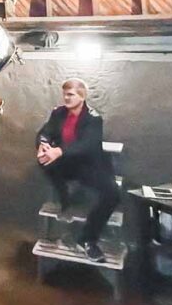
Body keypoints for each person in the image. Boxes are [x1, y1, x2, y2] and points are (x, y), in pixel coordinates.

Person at [35, 78, 119, 263]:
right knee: (43, 159)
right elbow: (45, 131)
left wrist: (59, 150)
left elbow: (87, 145)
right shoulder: (58, 113)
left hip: (88, 165)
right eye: (65, 94)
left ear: (82, 96)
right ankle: (64, 196)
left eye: (71, 94)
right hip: (65, 163)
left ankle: (88, 239)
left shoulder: (93, 118)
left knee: (113, 194)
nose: (66, 98)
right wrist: (43, 144)